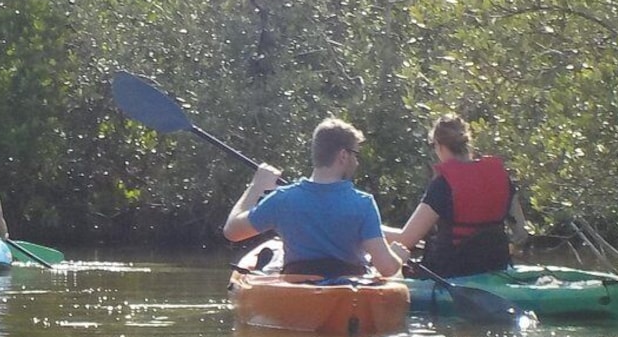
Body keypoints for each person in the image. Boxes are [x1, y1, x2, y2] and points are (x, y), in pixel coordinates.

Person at [223, 117, 407, 278]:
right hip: (347, 295)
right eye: (356, 155)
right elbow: (387, 268)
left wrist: (256, 186)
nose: (357, 162)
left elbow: (232, 232)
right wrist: (398, 256)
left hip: (297, 290)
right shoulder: (363, 203)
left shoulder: (282, 199)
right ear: (343, 155)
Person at [384, 114, 528, 277]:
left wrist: (371, 231)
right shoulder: (501, 177)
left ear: (438, 145)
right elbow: (521, 233)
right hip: (496, 268)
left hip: (451, 273)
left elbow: (405, 240)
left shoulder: (443, 185)